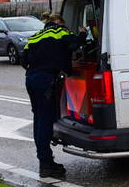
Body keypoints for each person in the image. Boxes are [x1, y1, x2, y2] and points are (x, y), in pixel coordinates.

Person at [21, 14, 86, 177]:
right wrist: (83, 33)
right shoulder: (60, 31)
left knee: (39, 119)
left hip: (31, 80)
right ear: (58, 23)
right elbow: (75, 44)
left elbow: (23, 61)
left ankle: (45, 159)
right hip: (46, 81)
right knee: (45, 121)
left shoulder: (35, 36)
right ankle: (46, 164)